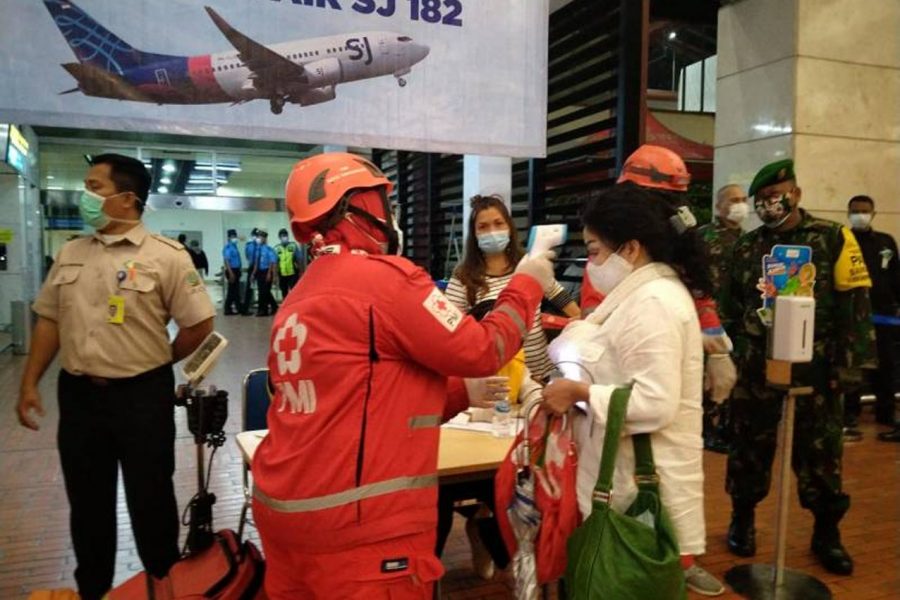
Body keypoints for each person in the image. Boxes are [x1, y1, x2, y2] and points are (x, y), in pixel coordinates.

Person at [250, 152, 554, 599]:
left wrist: (461, 391)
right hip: (359, 528)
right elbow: (484, 348)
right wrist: (527, 284)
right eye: (384, 205)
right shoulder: (385, 279)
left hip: (286, 517)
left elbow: (362, 391)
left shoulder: (301, 296)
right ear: (363, 208)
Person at [15, 153, 216, 600]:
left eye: (94, 186)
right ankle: (93, 591)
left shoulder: (166, 257)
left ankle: (161, 586)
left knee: (151, 501)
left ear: (126, 199)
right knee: (87, 505)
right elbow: (48, 320)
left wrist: (158, 360)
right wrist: (29, 381)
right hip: (80, 397)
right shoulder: (71, 252)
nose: (85, 195)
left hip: (142, 397)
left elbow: (200, 324)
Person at [541, 184, 724, 597]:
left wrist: (579, 392)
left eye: (593, 251)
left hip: (640, 487)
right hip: (621, 476)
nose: (590, 265)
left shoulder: (654, 302)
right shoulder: (640, 294)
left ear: (631, 249)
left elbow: (654, 402)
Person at [723, 159, 876, 575]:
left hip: (817, 370)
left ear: (797, 194)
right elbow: (730, 310)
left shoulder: (833, 238)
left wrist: (849, 369)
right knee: (748, 449)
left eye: (777, 196)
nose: (770, 204)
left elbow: (856, 306)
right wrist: (731, 359)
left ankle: (827, 533)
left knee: (821, 456)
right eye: (763, 200)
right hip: (757, 369)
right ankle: (743, 519)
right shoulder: (746, 247)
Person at [579, 145, 738, 410]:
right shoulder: (610, 260)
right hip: (620, 385)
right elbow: (595, 324)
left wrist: (717, 350)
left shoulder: (679, 251)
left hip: (646, 400)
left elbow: (701, 295)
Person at [435, 299, 542, 580]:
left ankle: (486, 536)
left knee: (517, 503)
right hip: (452, 464)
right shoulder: (452, 365)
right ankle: (431, 573)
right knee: (437, 507)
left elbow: (531, 394)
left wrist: (536, 403)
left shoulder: (517, 363)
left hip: (499, 459)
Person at [445, 194, 580, 382]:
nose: (492, 231)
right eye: (483, 227)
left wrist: (583, 322)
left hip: (540, 372)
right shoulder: (464, 276)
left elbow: (556, 293)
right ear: (474, 234)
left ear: (509, 227)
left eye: (498, 223)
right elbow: (452, 326)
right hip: (497, 377)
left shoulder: (528, 263)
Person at [696, 184, 750, 453]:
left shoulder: (748, 239)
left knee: (732, 377)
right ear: (719, 206)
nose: (740, 204)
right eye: (733, 200)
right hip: (709, 322)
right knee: (707, 379)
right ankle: (706, 429)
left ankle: (728, 427)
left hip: (738, 321)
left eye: (743, 199)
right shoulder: (703, 237)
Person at [844, 195, 900, 442]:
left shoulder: (885, 242)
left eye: (865, 211)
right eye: (855, 211)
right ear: (848, 213)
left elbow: (896, 275)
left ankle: (886, 412)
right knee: (853, 365)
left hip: (885, 315)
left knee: (886, 365)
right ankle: (849, 413)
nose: (860, 215)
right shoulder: (841, 240)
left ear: (873, 213)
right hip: (854, 314)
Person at [252, 229, 279, 316]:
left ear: (265, 238)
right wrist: (253, 273)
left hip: (267, 271)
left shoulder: (269, 250)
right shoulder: (258, 249)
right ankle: (271, 307)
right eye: (258, 237)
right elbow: (256, 262)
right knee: (262, 291)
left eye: (261, 237)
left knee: (265, 292)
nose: (259, 238)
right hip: (259, 272)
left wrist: (271, 274)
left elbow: (273, 262)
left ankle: (264, 310)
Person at [275, 227, 303, 299]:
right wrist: (276, 276)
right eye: (282, 236)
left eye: (285, 235)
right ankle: (286, 308)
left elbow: (299, 259)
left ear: (288, 236)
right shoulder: (276, 248)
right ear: (279, 237)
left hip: (293, 274)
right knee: (284, 293)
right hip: (282, 274)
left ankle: (294, 308)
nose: (284, 237)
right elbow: (275, 262)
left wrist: (301, 272)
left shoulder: (293, 246)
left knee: (294, 293)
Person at [222, 228, 242, 315]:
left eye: (235, 236)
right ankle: (227, 309)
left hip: (236, 270)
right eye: (233, 236)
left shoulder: (234, 246)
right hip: (232, 270)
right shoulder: (228, 248)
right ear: (229, 238)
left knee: (235, 291)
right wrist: (230, 273)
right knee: (232, 291)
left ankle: (237, 308)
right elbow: (226, 261)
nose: (235, 238)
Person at [241, 228, 259, 315]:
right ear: (252, 236)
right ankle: (245, 309)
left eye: (257, 236)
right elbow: (248, 256)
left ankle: (266, 306)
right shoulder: (249, 245)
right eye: (255, 235)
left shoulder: (260, 245)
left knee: (263, 288)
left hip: (260, 268)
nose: (256, 237)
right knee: (249, 289)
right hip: (252, 268)